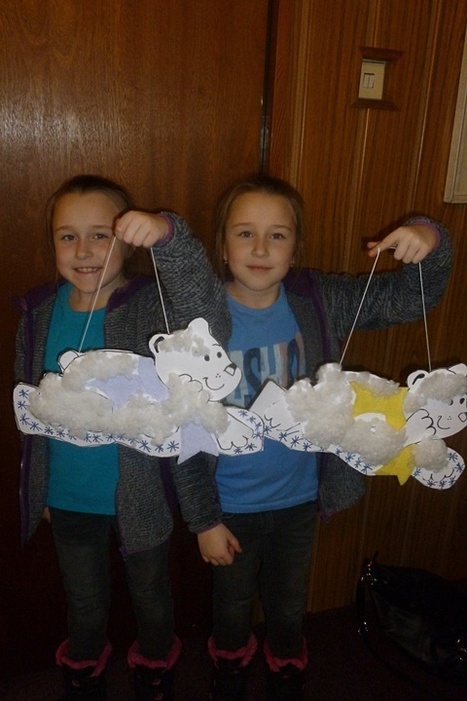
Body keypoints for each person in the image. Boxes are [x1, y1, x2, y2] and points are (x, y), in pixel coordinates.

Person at [196, 174, 452, 701]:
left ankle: (287, 664)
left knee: (290, 602)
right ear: (221, 246)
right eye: (244, 233)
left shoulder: (317, 299)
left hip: (298, 497)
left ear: (296, 250)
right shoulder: (198, 315)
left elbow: (409, 299)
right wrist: (203, 518)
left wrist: (429, 237)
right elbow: (178, 424)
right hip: (227, 503)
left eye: (277, 235)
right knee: (231, 603)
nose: (261, 248)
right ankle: (230, 664)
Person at [14, 174, 230, 701]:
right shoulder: (38, 312)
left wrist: (169, 236)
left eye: (100, 235)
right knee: (83, 599)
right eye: (68, 236)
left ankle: (155, 662)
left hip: (140, 494)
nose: (84, 250)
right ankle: (84, 662)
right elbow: (32, 410)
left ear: (127, 244)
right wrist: (39, 487)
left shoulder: (149, 306)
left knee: (151, 595)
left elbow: (207, 314)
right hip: (68, 498)